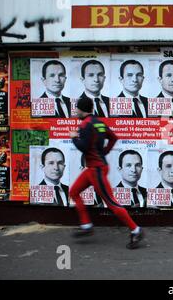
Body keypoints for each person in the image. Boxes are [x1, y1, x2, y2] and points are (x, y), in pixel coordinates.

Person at [69, 97, 144, 249]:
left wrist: (74, 138)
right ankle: (86, 225)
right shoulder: (99, 123)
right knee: (74, 191)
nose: (76, 111)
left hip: (96, 170)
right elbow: (113, 138)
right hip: (94, 168)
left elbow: (83, 147)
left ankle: (136, 229)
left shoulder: (84, 125)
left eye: (77, 108)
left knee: (112, 204)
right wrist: (104, 152)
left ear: (82, 109)